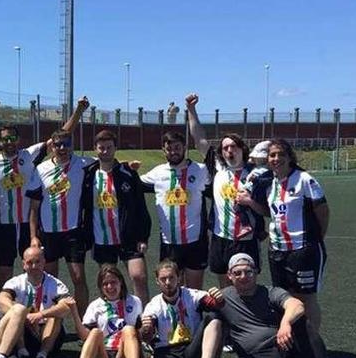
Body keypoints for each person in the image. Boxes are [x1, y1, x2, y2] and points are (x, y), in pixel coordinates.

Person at [208, 253, 346, 358]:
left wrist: (285, 323)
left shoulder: (270, 292)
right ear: (229, 276)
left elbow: (296, 304)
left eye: (248, 271)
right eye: (237, 273)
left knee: (300, 322)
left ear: (256, 272)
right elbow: (196, 307)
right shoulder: (222, 298)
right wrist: (208, 296)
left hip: (287, 355)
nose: (243, 276)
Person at [236, 139, 330, 333]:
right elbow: (269, 211)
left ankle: (312, 344)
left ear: (289, 157)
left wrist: (317, 238)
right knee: (284, 297)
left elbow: (322, 210)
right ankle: (292, 342)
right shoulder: (269, 182)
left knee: (306, 297)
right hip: (277, 250)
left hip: (303, 250)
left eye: (281, 154)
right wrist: (250, 203)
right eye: (272, 155)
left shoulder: (304, 179)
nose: (276, 158)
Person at [26, 97, 95, 316]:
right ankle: (48, 320)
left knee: (78, 278)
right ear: (52, 147)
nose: (63, 148)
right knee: (50, 280)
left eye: (67, 144)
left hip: (74, 231)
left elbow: (107, 162)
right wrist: (34, 237)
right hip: (49, 233)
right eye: (58, 145)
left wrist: (129, 167)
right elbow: (34, 208)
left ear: (72, 146)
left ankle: (84, 322)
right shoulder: (41, 169)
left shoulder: (83, 164)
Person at [185, 93, 262, 288]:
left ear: (242, 149)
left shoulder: (256, 173)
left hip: (247, 238)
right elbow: (199, 138)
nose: (229, 151)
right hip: (221, 238)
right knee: (225, 286)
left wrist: (251, 203)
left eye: (233, 147)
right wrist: (191, 109)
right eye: (225, 147)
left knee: (247, 285)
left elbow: (267, 207)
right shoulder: (217, 166)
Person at [134, 260, 225, 358]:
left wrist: (219, 299)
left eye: (171, 277)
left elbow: (214, 304)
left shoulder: (192, 295)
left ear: (179, 278)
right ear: (157, 281)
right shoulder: (153, 305)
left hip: (192, 349)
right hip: (168, 351)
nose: (168, 282)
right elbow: (147, 337)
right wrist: (146, 329)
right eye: (163, 279)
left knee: (214, 318)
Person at [80, 128, 152, 302]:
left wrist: (143, 237)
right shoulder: (88, 174)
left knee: (139, 277)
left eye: (109, 147)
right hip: (102, 240)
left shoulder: (128, 173)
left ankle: (144, 321)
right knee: (109, 283)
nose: (105, 151)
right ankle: (113, 320)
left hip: (129, 238)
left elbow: (141, 207)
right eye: (101, 148)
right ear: (95, 149)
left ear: (115, 148)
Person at [140, 131, 211, 289]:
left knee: (194, 291)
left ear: (185, 147)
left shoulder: (200, 170)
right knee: (170, 289)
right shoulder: (158, 173)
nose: (173, 152)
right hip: (169, 243)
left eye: (177, 147)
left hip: (196, 242)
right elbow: (132, 182)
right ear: (163, 150)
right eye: (169, 148)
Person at [0, 246, 77, 358]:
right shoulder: (16, 282)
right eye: (29, 262)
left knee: (56, 313)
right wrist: (22, 315)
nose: (34, 266)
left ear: (44, 262)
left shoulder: (55, 283)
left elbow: (66, 306)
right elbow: (1, 300)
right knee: (15, 310)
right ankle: (24, 356)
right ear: (23, 264)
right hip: (24, 332)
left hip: (48, 333)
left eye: (37, 262)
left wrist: (41, 314)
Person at [0, 125, 48, 287]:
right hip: (5, 227)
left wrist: (78, 112)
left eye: (12, 138)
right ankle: (7, 310)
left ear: (18, 139)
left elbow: (57, 137)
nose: (9, 142)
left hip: (28, 225)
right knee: (4, 276)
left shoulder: (29, 155)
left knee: (32, 273)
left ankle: (32, 309)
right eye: (5, 139)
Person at [72, 264, 146, 358]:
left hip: (122, 356)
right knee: (95, 332)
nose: (110, 287)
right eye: (105, 284)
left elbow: (139, 333)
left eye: (113, 282)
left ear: (121, 283)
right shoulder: (95, 305)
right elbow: (85, 338)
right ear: (100, 287)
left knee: (129, 329)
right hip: (102, 356)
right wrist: (75, 313)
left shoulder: (134, 302)